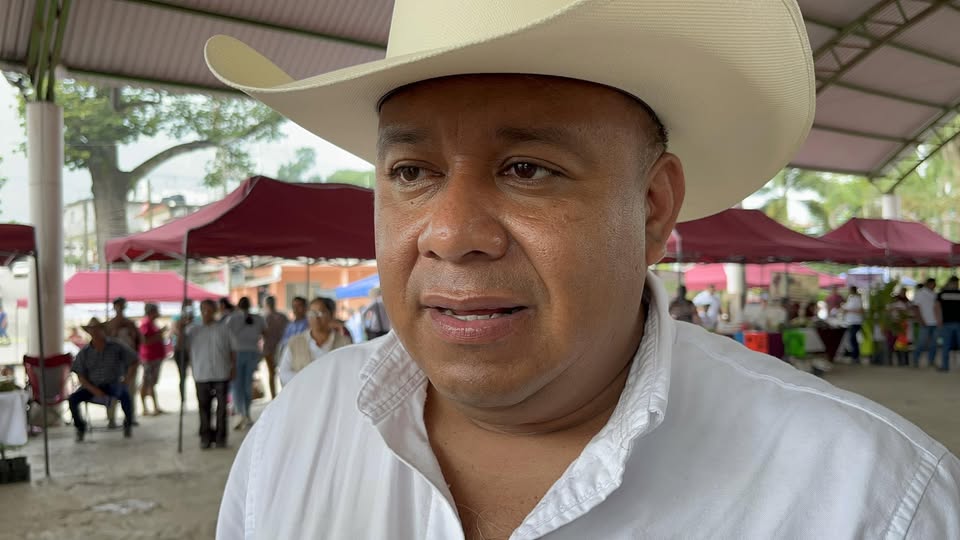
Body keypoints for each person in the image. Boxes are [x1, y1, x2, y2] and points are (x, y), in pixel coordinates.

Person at [211, 2, 960, 538]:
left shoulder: (873, 502)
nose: (451, 235)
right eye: (411, 172)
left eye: (527, 168)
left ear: (653, 209)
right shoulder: (299, 427)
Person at [68, 318, 138, 441]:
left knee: (125, 395)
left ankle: (128, 424)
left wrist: (127, 380)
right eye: (92, 329)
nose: (95, 332)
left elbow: (134, 359)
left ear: (102, 330)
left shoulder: (116, 346)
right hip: (93, 385)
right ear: (89, 332)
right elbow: (80, 374)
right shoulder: (85, 352)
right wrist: (92, 388)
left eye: (97, 329)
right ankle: (80, 428)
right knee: (73, 399)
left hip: (113, 383)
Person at [186, 299, 237, 449]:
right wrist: (180, 327)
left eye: (210, 310)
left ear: (215, 311)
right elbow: (182, 346)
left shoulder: (224, 329)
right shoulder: (192, 330)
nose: (207, 313)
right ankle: (205, 438)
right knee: (204, 408)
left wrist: (233, 368)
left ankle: (221, 438)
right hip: (201, 374)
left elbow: (233, 350)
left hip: (221, 373)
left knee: (222, 409)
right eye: (204, 310)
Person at [278, 297, 351, 386]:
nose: (316, 318)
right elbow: (284, 372)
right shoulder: (295, 342)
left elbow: (350, 371)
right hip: (302, 392)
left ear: (331, 315)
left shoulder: (344, 343)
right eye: (312, 313)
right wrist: (308, 381)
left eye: (320, 313)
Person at [226, 297, 266, 430]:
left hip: (237, 353)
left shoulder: (232, 319)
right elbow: (264, 334)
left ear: (238, 306)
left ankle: (241, 413)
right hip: (252, 353)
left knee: (237, 385)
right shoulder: (257, 318)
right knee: (246, 384)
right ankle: (245, 413)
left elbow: (227, 337)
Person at [106, 297, 142, 427]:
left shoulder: (130, 323)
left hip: (129, 360)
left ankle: (130, 417)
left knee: (130, 389)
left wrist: (132, 331)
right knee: (112, 389)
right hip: (114, 361)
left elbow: (140, 340)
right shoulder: (110, 324)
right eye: (119, 306)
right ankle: (111, 418)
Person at [138, 303, 167, 415]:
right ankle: (146, 408)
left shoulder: (152, 323)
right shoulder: (145, 324)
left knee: (151, 383)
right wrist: (159, 335)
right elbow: (145, 341)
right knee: (147, 382)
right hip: (149, 357)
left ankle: (154, 407)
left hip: (155, 357)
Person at [261, 296, 289, 400]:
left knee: (273, 373)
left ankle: (274, 397)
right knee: (281, 372)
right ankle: (279, 395)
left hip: (272, 348)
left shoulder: (265, 318)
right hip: (279, 348)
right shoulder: (282, 317)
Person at [172, 299, 198, 403]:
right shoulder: (178, 320)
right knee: (182, 376)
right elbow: (178, 338)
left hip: (192, 351)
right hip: (181, 351)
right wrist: (182, 326)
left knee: (197, 375)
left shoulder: (196, 320)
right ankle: (183, 399)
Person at [935, 276, 960, 373]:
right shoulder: (942, 293)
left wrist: (939, 320)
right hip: (947, 323)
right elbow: (937, 307)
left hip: (951, 323)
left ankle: (945, 366)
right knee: (946, 346)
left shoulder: (942, 294)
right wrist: (939, 320)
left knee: (946, 345)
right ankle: (945, 366)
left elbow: (937, 307)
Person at [914, 278, 939, 368]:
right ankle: (915, 360)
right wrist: (920, 320)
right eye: (933, 284)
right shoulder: (920, 293)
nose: (934, 286)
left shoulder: (934, 294)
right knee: (921, 343)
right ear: (928, 284)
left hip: (934, 322)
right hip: (925, 322)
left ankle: (931, 361)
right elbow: (916, 308)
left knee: (934, 344)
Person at [842, 287, 864, 364]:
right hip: (849, 321)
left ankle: (855, 356)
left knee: (853, 339)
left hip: (856, 322)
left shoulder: (857, 299)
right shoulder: (849, 299)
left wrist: (849, 310)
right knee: (851, 339)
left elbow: (861, 310)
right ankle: (854, 355)